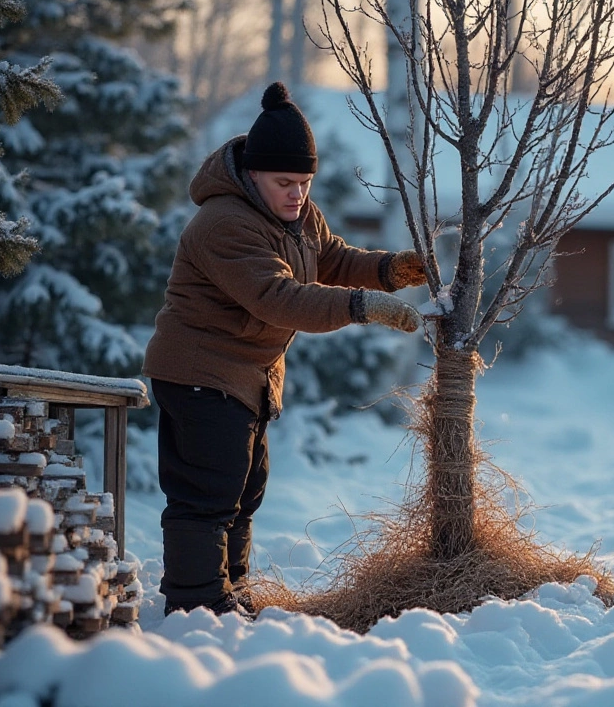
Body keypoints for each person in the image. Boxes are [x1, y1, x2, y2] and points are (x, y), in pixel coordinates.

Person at [143, 81, 426, 616]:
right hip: (201, 372)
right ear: (252, 175)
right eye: (285, 182)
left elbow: (333, 258)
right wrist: (363, 308)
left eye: (305, 182)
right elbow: (279, 298)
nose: (298, 193)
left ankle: (231, 595)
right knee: (207, 495)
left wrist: (392, 269)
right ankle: (195, 610)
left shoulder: (297, 216)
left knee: (244, 493)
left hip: (247, 375)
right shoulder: (223, 224)